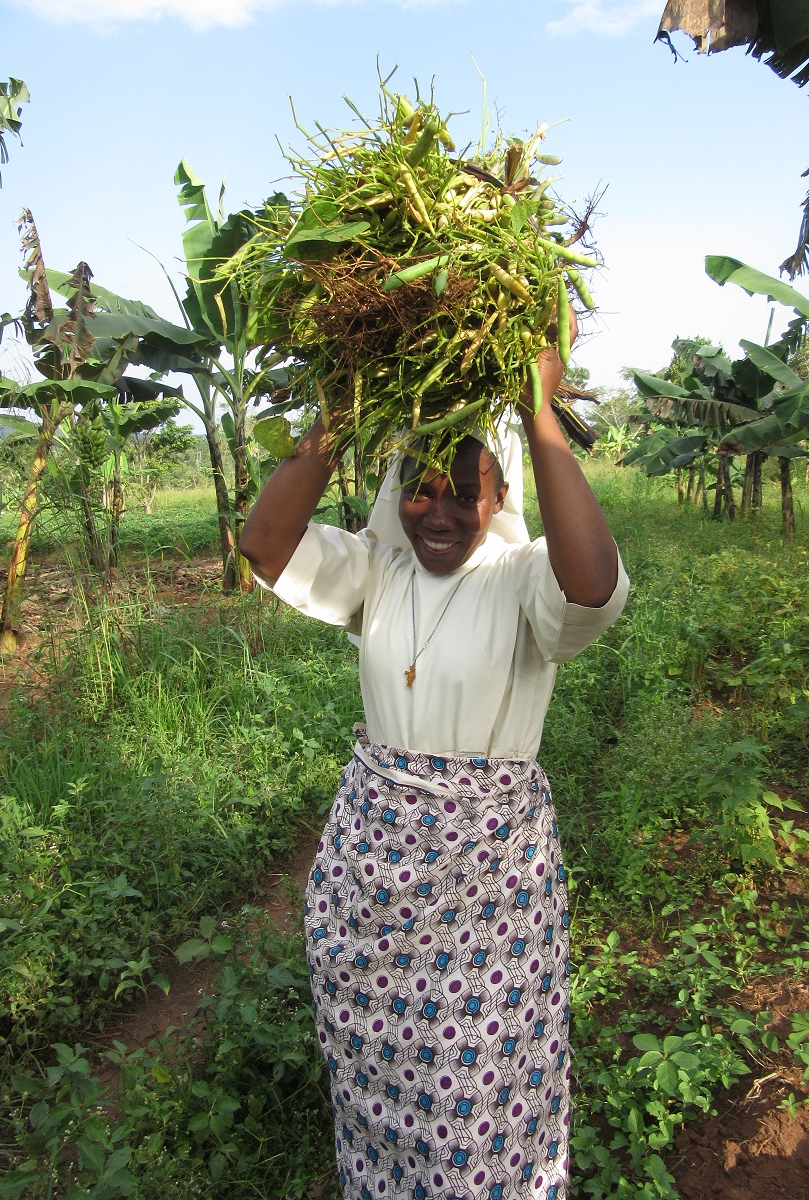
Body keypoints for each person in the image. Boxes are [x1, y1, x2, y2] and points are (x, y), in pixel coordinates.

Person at [239, 318, 629, 1200]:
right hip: (370, 895)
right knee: (382, 1098)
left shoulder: (526, 577)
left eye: (464, 489)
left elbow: (594, 584)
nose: (440, 511)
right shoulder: (378, 570)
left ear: (498, 494)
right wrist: (334, 418)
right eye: (419, 488)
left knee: (483, 1101)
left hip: (488, 896)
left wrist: (540, 418)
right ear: (393, 488)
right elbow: (265, 547)